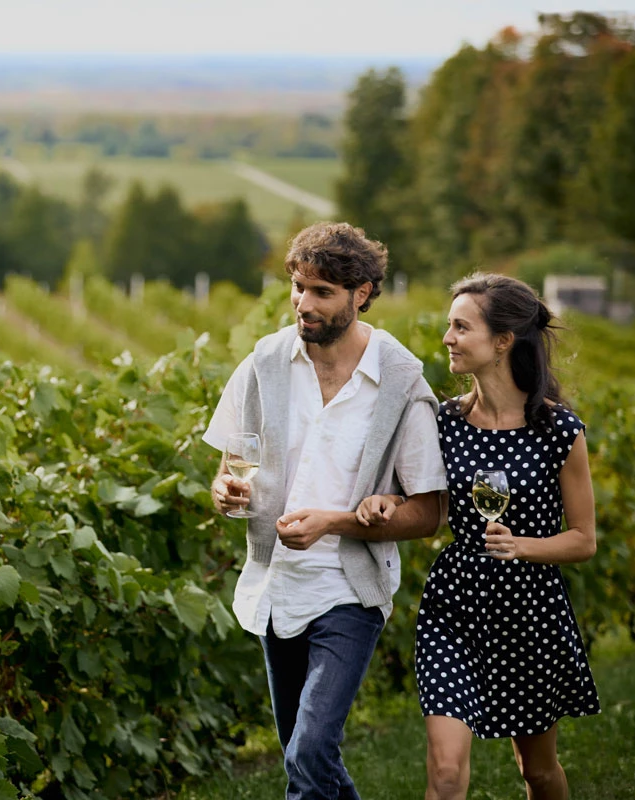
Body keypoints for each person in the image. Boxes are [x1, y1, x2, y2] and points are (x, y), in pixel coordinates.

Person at [203, 221, 447, 800]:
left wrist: (334, 523)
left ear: (361, 293)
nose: (302, 304)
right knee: (303, 756)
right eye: (297, 287)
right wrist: (225, 493)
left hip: (349, 589)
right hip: (276, 583)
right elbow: (230, 468)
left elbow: (430, 514)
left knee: (310, 749)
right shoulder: (263, 365)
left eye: (321, 293)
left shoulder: (399, 384)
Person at [356, 273, 600, 800]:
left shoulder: (560, 432)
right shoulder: (443, 421)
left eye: (461, 327)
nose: (447, 338)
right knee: (445, 773)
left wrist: (522, 547)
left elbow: (583, 539)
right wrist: (386, 502)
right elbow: (420, 499)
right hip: (456, 604)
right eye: (449, 326)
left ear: (503, 341)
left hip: (531, 610)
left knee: (537, 772)